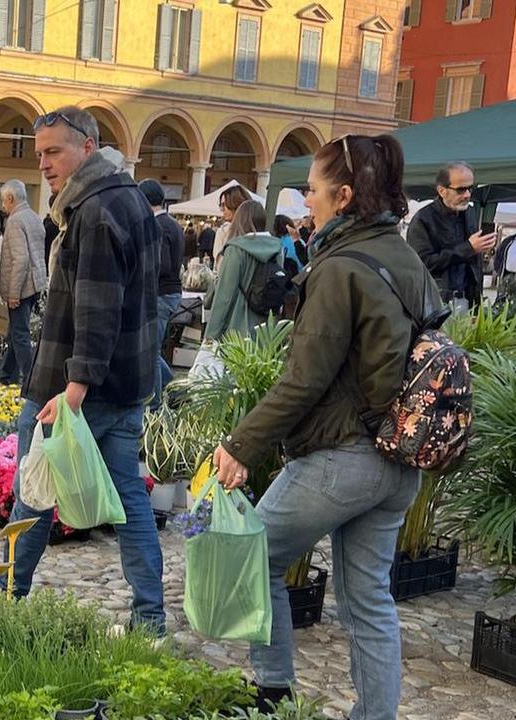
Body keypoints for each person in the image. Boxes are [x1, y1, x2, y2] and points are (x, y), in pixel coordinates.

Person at [212, 134, 431, 719]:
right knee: (369, 602)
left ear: (344, 195)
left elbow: (304, 379)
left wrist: (241, 445)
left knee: (253, 554)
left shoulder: (338, 268)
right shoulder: (404, 257)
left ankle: (273, 691)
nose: (306, 200)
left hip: (343, 456)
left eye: (312, 189)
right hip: (398, 458)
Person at [0, 107, 164, 639]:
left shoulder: (94, 210)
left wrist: (73, 391)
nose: (43, 163)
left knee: (34, 489)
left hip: (75, 384)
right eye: (39, 153)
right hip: (125, 383)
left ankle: (6, 594)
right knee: (129, 497)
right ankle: (149, 619)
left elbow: (97, 310)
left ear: (87, 147)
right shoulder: (128, 197)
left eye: (54, 151)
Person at [407, 161, 494, 309]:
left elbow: (472, 261)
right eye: (461, 190)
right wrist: (469, 248)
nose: (467, 195)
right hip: (438, 302)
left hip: (469, 299)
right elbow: (422, 264)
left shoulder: (469, 213)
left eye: (470, 188)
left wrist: (479, 247)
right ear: (442, 191)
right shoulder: (423, 220)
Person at [203, 200, 280, 343]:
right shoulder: (277, 248)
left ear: (240, 220)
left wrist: (210, 336)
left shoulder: (235, 249)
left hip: (237, 330)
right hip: (267, 329)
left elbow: (224, 296)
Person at [0, 179, 47, 387]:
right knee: (15, 332)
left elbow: (21, 259)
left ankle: (31, 379)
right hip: (35, 283)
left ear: (11, 198)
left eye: (3, 201)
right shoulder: (34, 217)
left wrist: (13, 293)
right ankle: (6, 374)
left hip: (22, 287)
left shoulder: (15, 220)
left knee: (20, 334)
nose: (3, 206)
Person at [140, 179, 183, 409]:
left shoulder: (157, 226)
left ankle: (155, 404)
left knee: (151, 353)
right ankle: (175, 386)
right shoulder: (173, 224)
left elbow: (162, 264)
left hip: (161, 293)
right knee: (153, 351)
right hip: (172, 292)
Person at [213, 185, 252, 268]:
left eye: (224, 205)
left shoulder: (224, 231)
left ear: (235, 204)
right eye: (221, 205)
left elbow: (220, 267)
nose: (222, 209)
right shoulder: (256, 231)